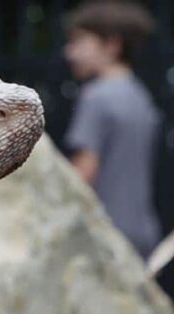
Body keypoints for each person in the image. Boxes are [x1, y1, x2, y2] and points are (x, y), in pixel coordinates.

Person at [62, 1, 160, 259]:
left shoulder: (96, 97)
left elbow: (83, 176)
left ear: (112, 45)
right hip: (142, 231)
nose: (69, 52)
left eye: (79, 42)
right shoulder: (141, 97)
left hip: (104, 234)